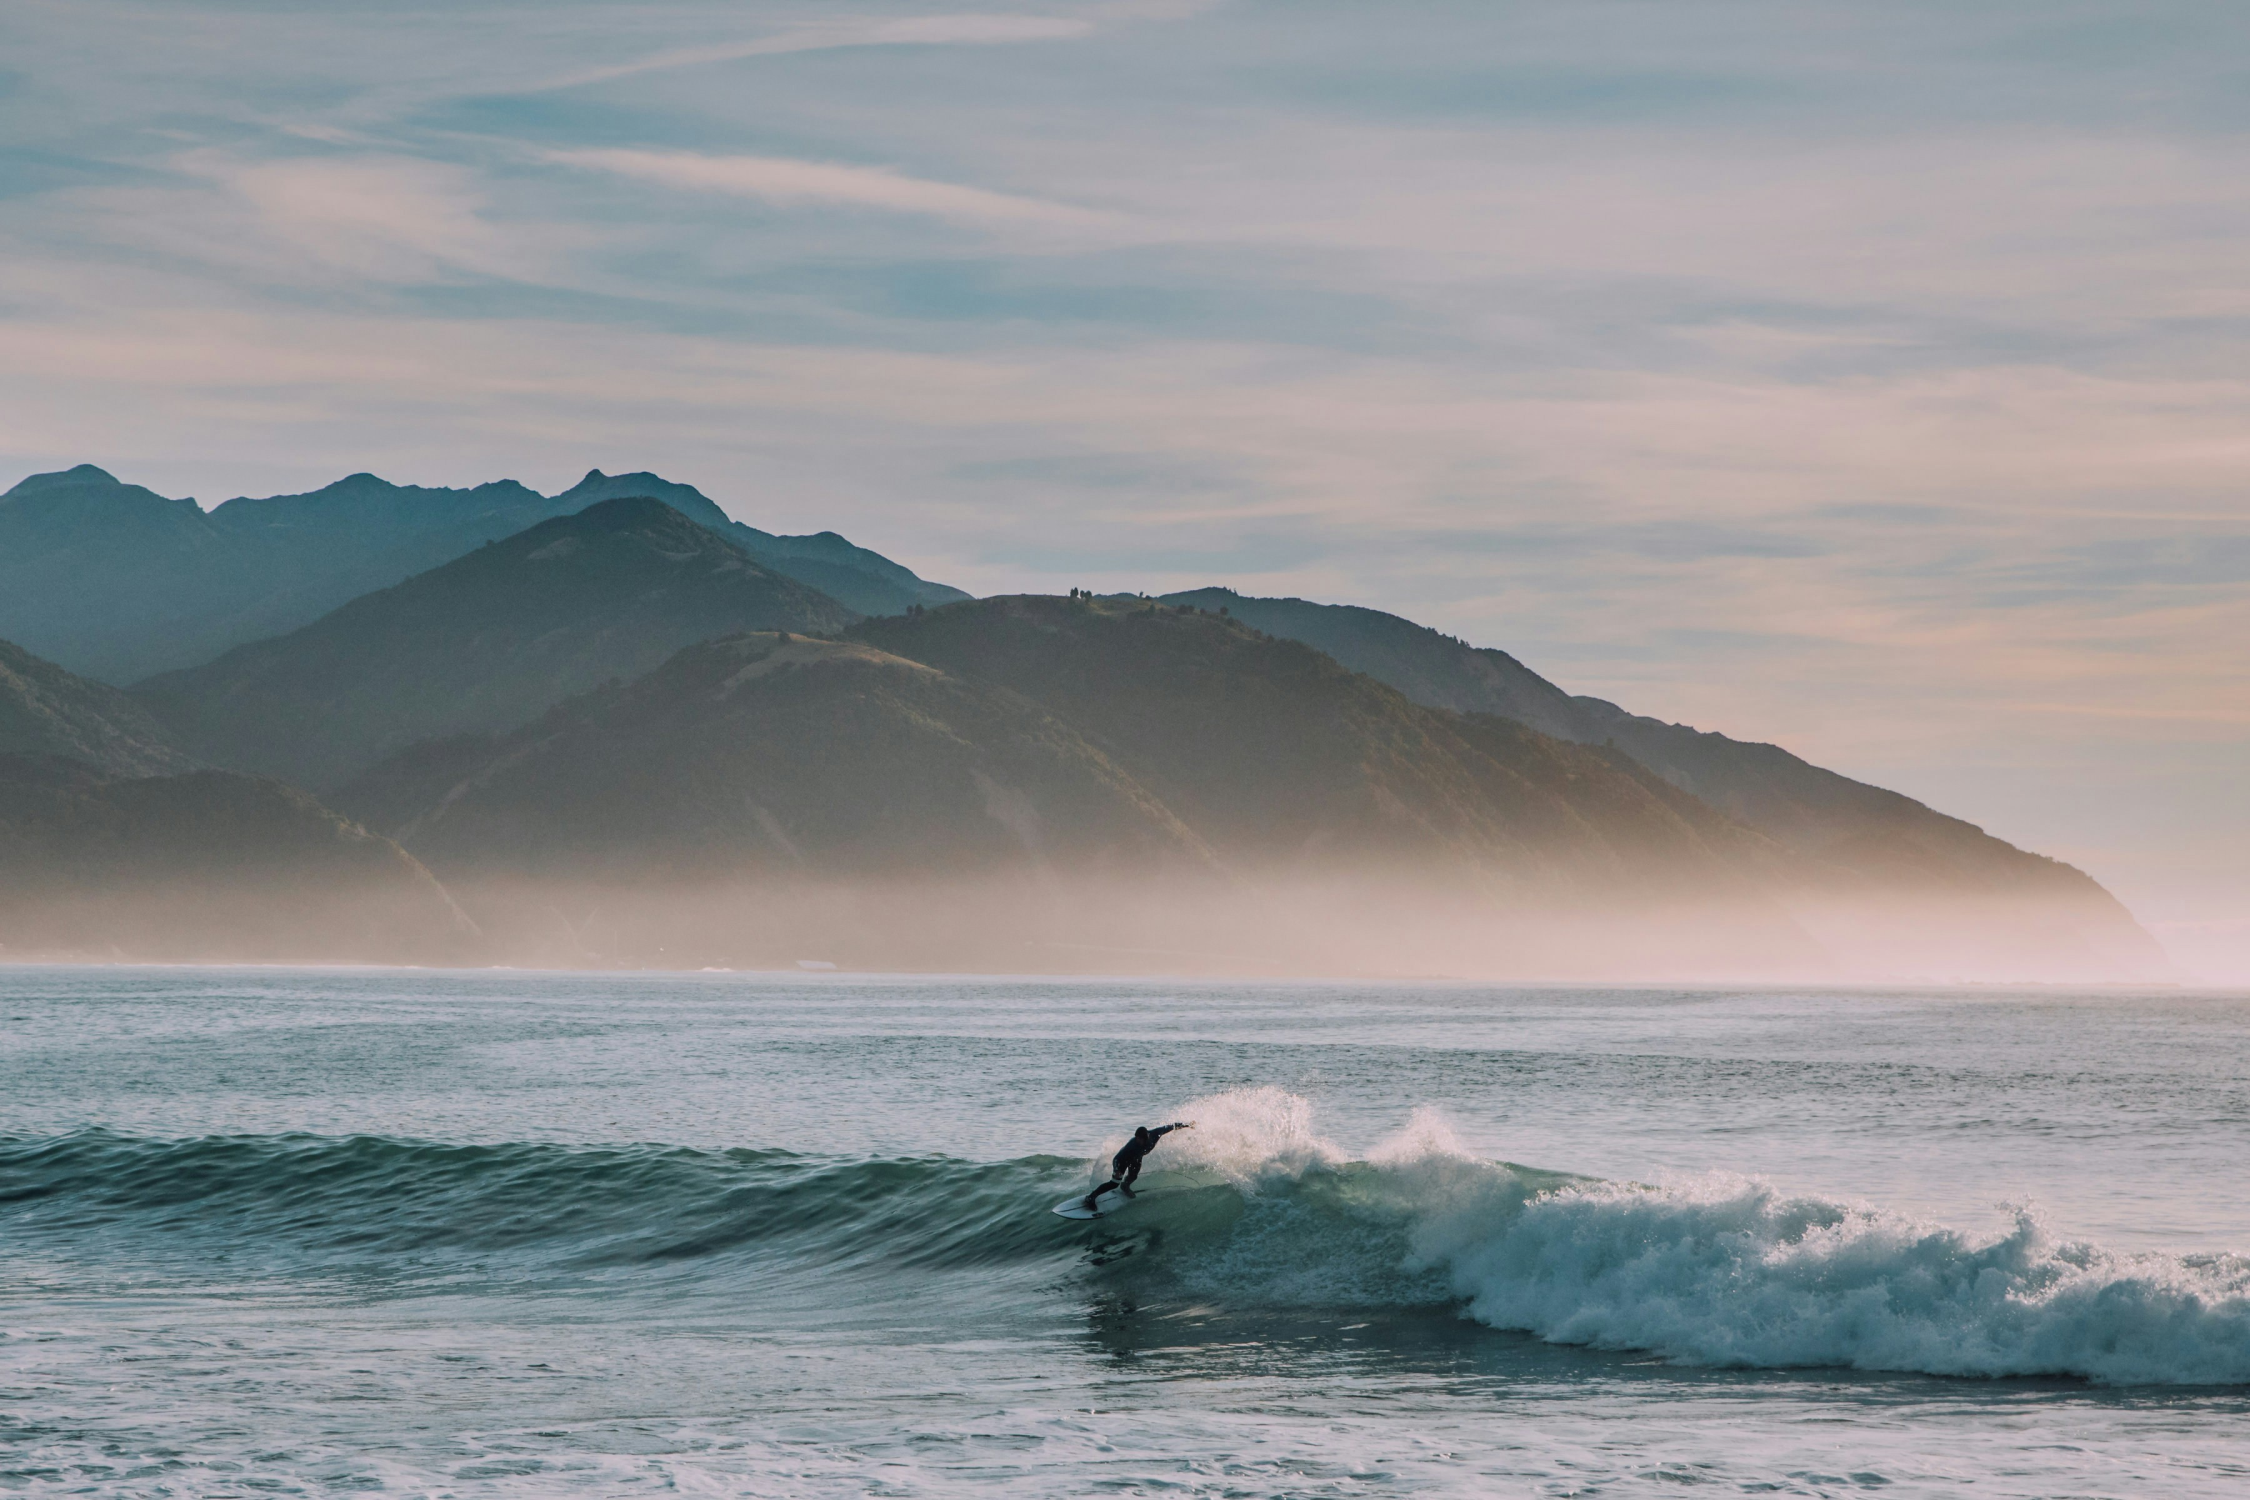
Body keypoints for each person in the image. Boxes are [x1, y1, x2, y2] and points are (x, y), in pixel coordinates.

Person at [1083, 1121, 1193, 1210]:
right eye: (1136, 1138)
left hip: (1136, 1159)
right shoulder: (1131, 1145)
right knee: (1114, 1184)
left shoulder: (1155, 1134)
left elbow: (1171, 1126)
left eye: (1139, 1139)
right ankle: (1091, 1197)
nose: (1137, 1140)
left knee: (1133, 1176)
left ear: (1146, 1138)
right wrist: (1117, 1170)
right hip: (1122, 1160)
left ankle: (1125, 1186)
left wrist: (1187, 1125)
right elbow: (1117, 1158)